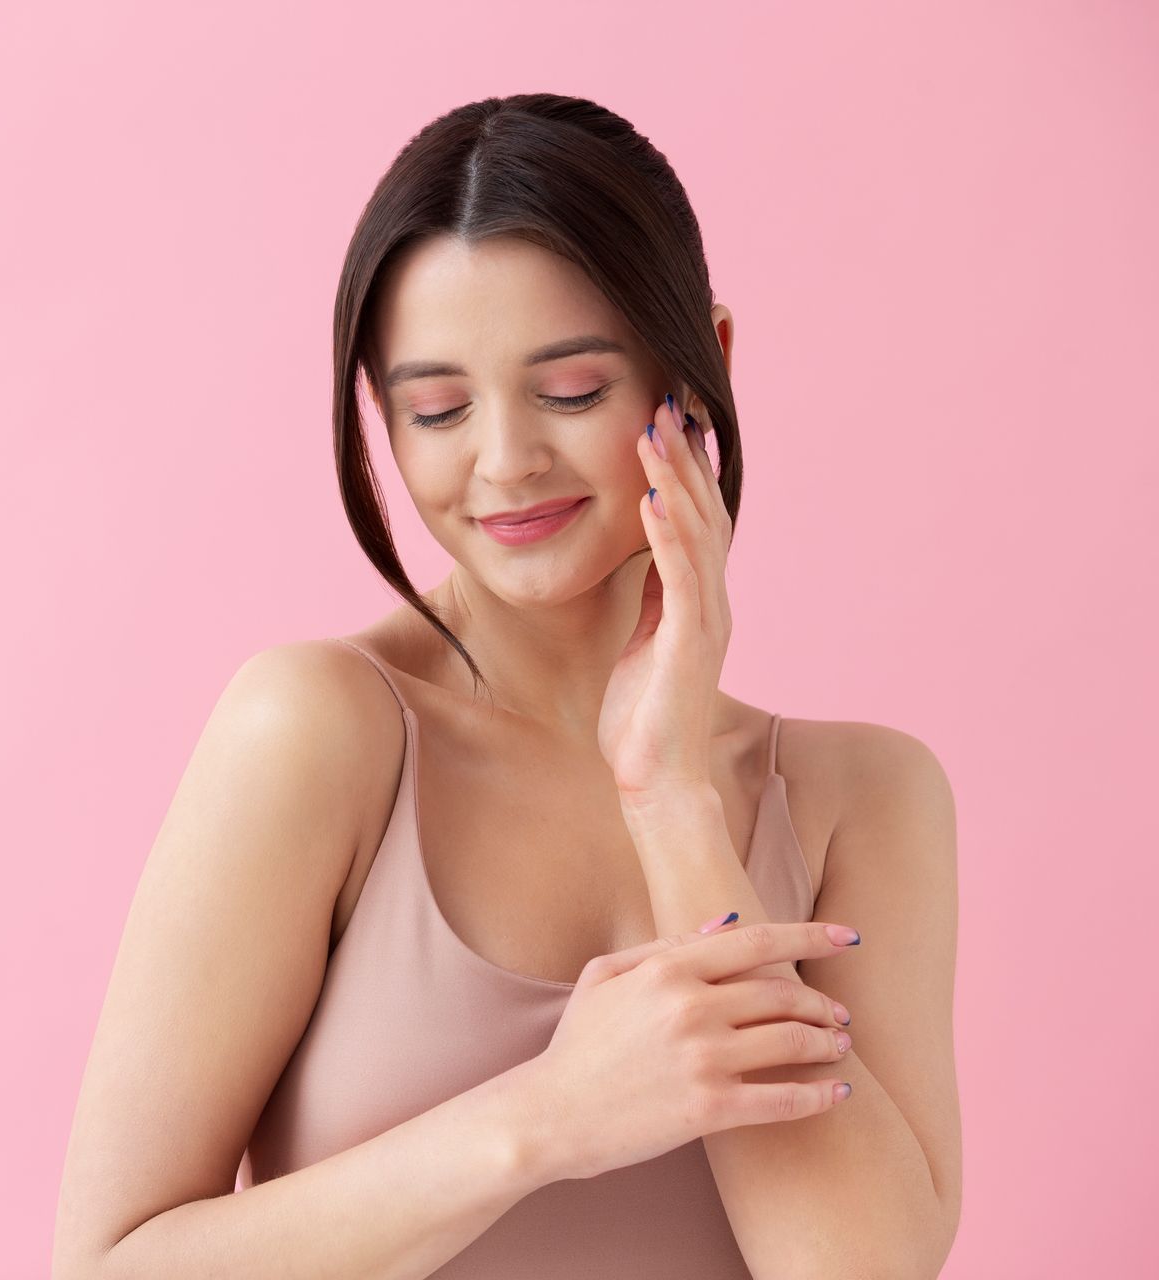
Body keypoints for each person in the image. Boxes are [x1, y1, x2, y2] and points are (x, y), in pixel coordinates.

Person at [52, 93, 961, 1280]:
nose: (503, 461)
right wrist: (546, 1119)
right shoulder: (321, 730)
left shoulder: (864, 796)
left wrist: (672, 795)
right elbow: (109, 1265)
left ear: (703, 365)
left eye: (572, 390)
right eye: (435, 409)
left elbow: (858, 1270)